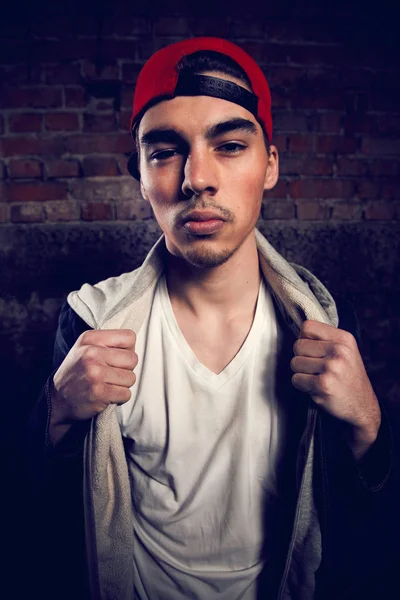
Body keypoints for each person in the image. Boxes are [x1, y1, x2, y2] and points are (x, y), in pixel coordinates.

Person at [29, 37, 395, 600]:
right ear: (141, 177)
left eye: (228, 145)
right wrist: (53, 411)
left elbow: (368, 526)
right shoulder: (92, 322)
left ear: (269, 165)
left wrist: (370, 426)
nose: (197, 177)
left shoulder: (322, 322)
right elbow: (34, 518)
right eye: (165, 151)